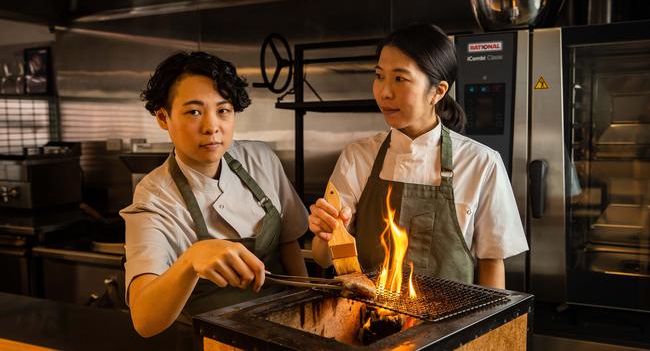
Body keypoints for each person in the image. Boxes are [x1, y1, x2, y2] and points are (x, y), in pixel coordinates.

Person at [308, 24, 528, 289]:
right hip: (367, 321)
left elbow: (492, 263)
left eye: (400, 79)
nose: (384, 91)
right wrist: (324, 233)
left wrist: (490, 330)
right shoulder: (358, 157)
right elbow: (324, 258)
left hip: (451, 327)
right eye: (379, 76)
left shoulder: (480, 163)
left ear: (438, 91)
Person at [120, 51, 308, 337]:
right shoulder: (154, 199)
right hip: (209, 340)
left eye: (223, 110)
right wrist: (191, 260)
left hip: (281, 330)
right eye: (194, 112)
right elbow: (145, 320)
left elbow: (289, 244)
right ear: (163, 117)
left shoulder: (260, 159)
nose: (212, 127)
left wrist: (306, 312)